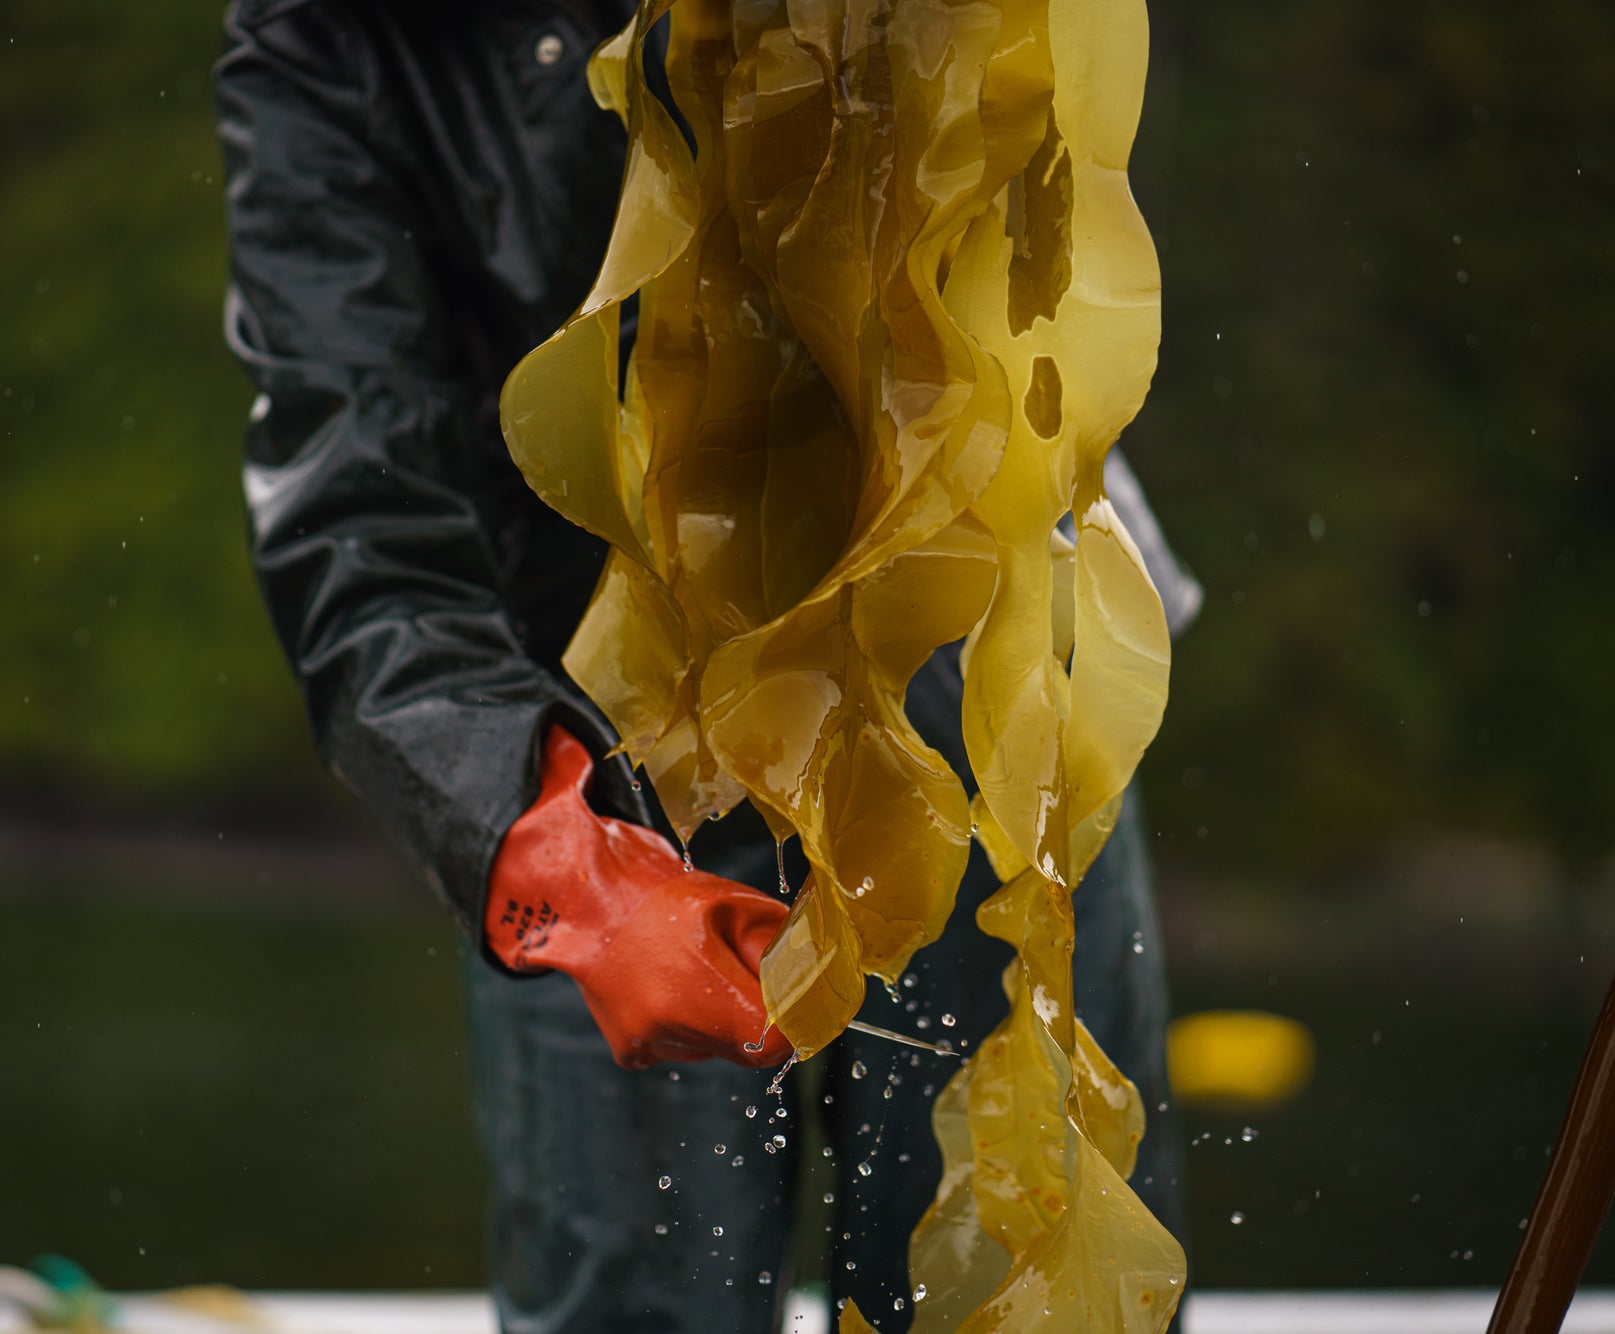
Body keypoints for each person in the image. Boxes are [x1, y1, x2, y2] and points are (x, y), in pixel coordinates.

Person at [214, 3, 1201, 1330]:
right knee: (628, 1299)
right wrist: (546, 855)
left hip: (975, 651)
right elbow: (356, 509)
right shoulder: (323, 37)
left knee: (1013, 1285)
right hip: (593, 732)